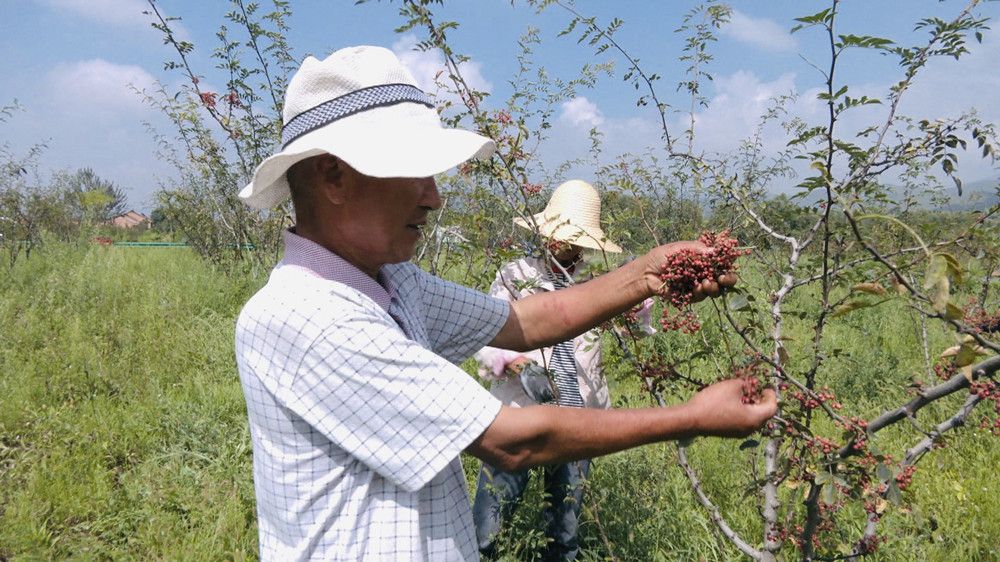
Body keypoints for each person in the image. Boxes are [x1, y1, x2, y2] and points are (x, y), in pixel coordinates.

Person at [234, 45, 776, 561]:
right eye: (415, 170)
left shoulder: (393, 283)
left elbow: (528, 319)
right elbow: (512, 441)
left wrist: (648, 274)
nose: (434, 196)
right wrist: (692, 417)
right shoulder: (309, 316)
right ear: (334, 175)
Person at [472, 179, 639, 560]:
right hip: (519, 418)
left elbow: (639, 330)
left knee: (563, 533)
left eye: (574, 240)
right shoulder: (515, 276)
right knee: (487, 528)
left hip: (578, 422)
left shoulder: (597, 284)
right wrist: (517, 364)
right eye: (559, 236)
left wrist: (637, 294)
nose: (565, 246)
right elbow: (484, 338)